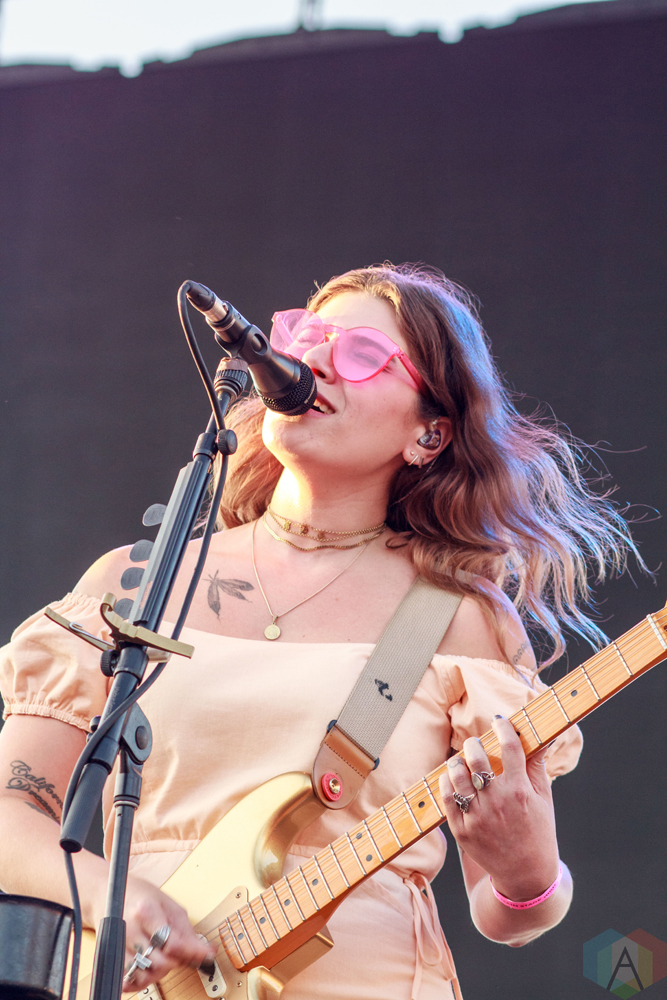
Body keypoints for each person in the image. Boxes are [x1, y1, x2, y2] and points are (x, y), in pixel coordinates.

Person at [0, 264, 639, 999]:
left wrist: (526, 874)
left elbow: (509, 916)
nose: (316, 360)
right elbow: (13, 812)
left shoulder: (455, 619)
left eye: (363, 353)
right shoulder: (136, 585)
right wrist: (115, 899)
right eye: (306, 336)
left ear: (429, 433)